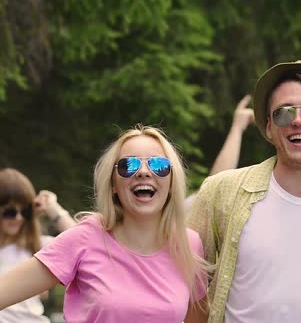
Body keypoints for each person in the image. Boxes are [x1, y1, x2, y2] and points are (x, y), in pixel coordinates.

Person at [187, 60, 301, 323]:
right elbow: (185, 285)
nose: (298, 121)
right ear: (269, 128)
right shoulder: (221, 191)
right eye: (283, 113)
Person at [0, 125, 209, 323]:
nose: (144, 172)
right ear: (113, 185)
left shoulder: (189, 244)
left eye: (159, 165)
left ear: (172, 182)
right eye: (129, 165)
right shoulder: (84, 238)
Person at [0, 169, 76, 323]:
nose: (19, 218)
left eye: (25, 211)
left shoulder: (39, 246)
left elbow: (83, 243)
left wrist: (53, 209)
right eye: (10, 212)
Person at [184, 94, 255, 210]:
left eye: (158, 164)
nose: (144, 172)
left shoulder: (173, 216)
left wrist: (237, 127)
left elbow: (214, 187)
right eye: (141, 163)